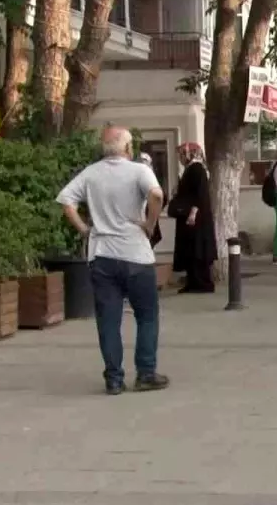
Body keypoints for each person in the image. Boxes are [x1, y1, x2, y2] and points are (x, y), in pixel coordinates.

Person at [56, 126, 168, 395]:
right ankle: (145, 372)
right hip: (136, 254)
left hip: (102, 254)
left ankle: (114, 378)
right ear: (128, 149)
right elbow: (156, 195)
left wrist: (85, 230)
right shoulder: (139, 171)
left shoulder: (90, 173)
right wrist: (149, 224)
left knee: (108, 319)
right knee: (147, 315)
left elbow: (66, 202)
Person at [169, 142, 218, 294]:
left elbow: (200, 193)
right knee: (190, 249)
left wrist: (193, 212)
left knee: (197, 249)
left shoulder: (197, 169)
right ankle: (193, 282)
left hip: (196, 217)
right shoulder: (190, 169)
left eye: (182, 154)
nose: (180, 158)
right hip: (189, 217)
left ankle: (202, 283)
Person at [138, 152, 164, 249]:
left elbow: (159, 197)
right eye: (141, 162)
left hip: (146, 217)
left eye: (145, 162)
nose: (143, 165)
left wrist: (151, 223)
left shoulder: (151, 178)